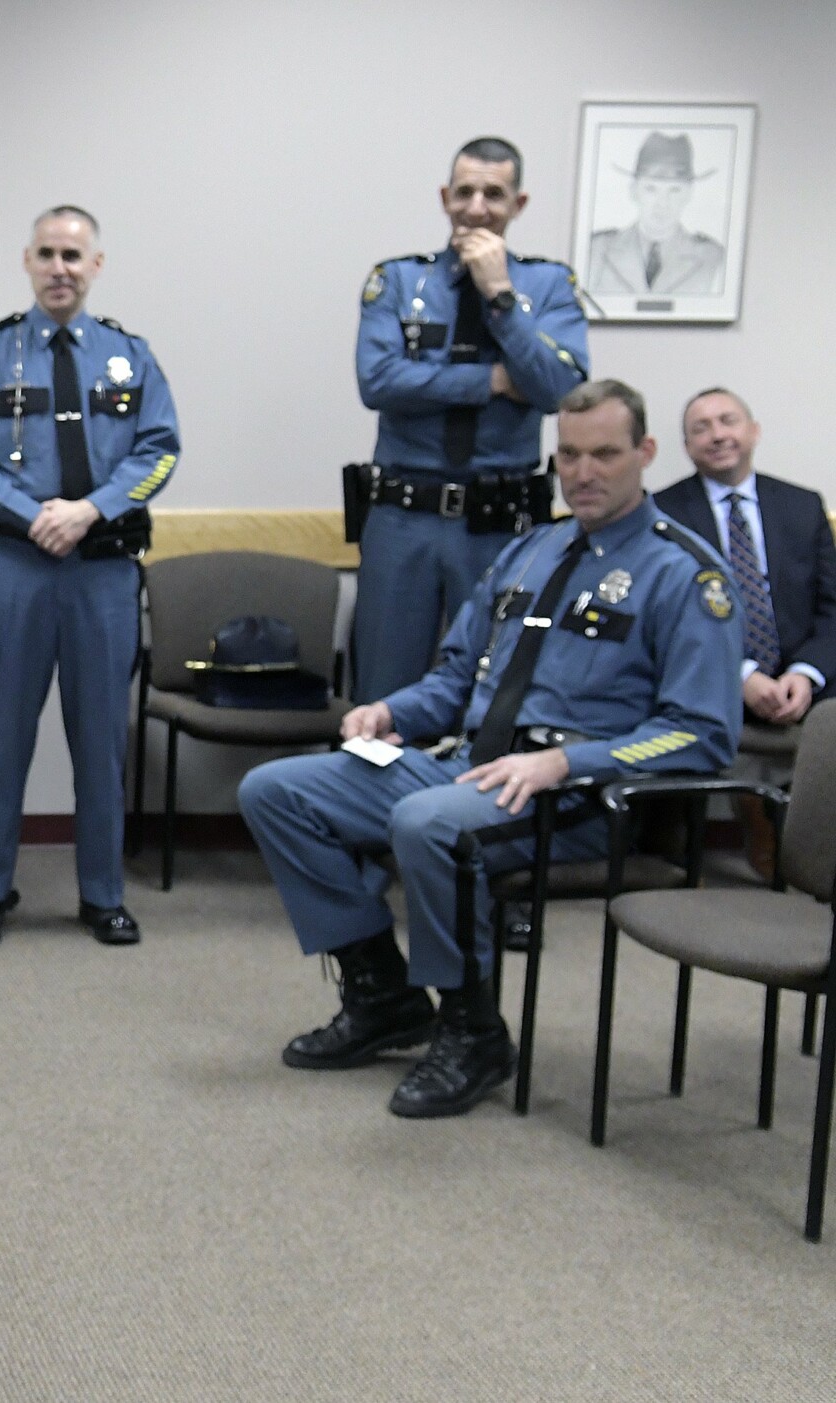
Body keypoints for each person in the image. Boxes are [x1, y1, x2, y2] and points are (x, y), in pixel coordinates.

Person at [240, 379, 741, 1119]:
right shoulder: (530, 550)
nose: (584, 472)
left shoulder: (684, 573)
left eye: (605, 453)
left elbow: (702, 733)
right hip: (468, 762)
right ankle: (383, 993)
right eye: (568, 455)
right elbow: (452, 679)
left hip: (575, 793)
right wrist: (388, 711)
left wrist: (566, 762)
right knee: (275, 791)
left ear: (646, 453)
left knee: (428, 823)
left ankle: (473, 1030)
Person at [0, 204, 180, 947]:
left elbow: (160, 452)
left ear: (96, 265)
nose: (59, 268)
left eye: (73, 255)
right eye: (46, 253)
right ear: (27, 260)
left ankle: (102, 893)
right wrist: (34, 512)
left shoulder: (129, 357)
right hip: (15, 564)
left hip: (102, 571)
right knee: (4, 731)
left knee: (101, 738)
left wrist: (91, 510)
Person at [352, 136, 591, 704]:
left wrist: (500, 298)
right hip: (403, 518)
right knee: (384, 690)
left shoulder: (548, 287)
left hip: (498, 525)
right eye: (465, 193)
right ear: (445, 197)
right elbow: (377, 381)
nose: (478, 207)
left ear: (519, 204)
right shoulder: (399, 281)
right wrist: (491, 382)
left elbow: (562, 389)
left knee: (489, 689)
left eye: (494, 194)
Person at [653, 387, 836, 872]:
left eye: (727, 421)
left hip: (804, 675)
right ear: (688, 447)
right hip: (711, 670)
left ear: (752, 431)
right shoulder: (663, 515)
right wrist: (743, 675)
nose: (717, 435)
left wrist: (804, 673)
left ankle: (809, 844)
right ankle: (746, 828)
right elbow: (667, 622)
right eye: (701, 428)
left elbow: (833, 610)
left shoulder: (802, 505)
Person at [585, 133, 726, 297]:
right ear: (633, 190)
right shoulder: (597, 249)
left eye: (674, 190)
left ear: (689, 193)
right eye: (651, 189)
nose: (662, 203)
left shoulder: (712, 257)